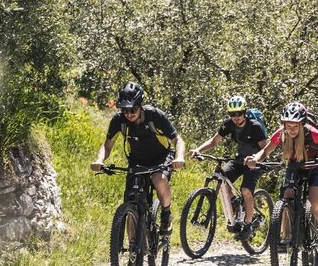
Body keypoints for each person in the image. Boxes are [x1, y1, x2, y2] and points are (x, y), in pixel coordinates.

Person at [90, 82, 186, 235]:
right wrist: (99, 160)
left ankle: (166, 214)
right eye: (124, 110)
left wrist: (179, 157)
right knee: (131, 200)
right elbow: (107, 146)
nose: (129, 114)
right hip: (137, 161)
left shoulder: (155, 116)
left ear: (140, 105)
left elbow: (178, 140)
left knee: (159, 179)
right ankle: (133, 247)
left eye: (133, 109)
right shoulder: (119, 121)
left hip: (161, 157)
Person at [247, 101, 318, 244]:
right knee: (286, 196)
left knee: (314, 199)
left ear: (302, 124)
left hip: (315, 166)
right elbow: (266, 151)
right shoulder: (281, 133)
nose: (291, 130)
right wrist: (255, 159)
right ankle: (289, 235)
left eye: (296, 126)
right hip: (294, 166)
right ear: (284, 124)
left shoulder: (312, 133)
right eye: (288, 126)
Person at [190, 95, 269, 236]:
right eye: (232, 114)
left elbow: (265, 149)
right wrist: (198, 150)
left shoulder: (255, 126)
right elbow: (214, 141)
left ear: (244, 112)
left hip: (255, 162)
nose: (236, 117)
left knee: (246, 190)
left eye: (238, 113)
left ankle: (248, 224)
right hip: (239, 160)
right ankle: (235, 202)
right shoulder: (229, 125)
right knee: (222, 179)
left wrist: (256, 160)